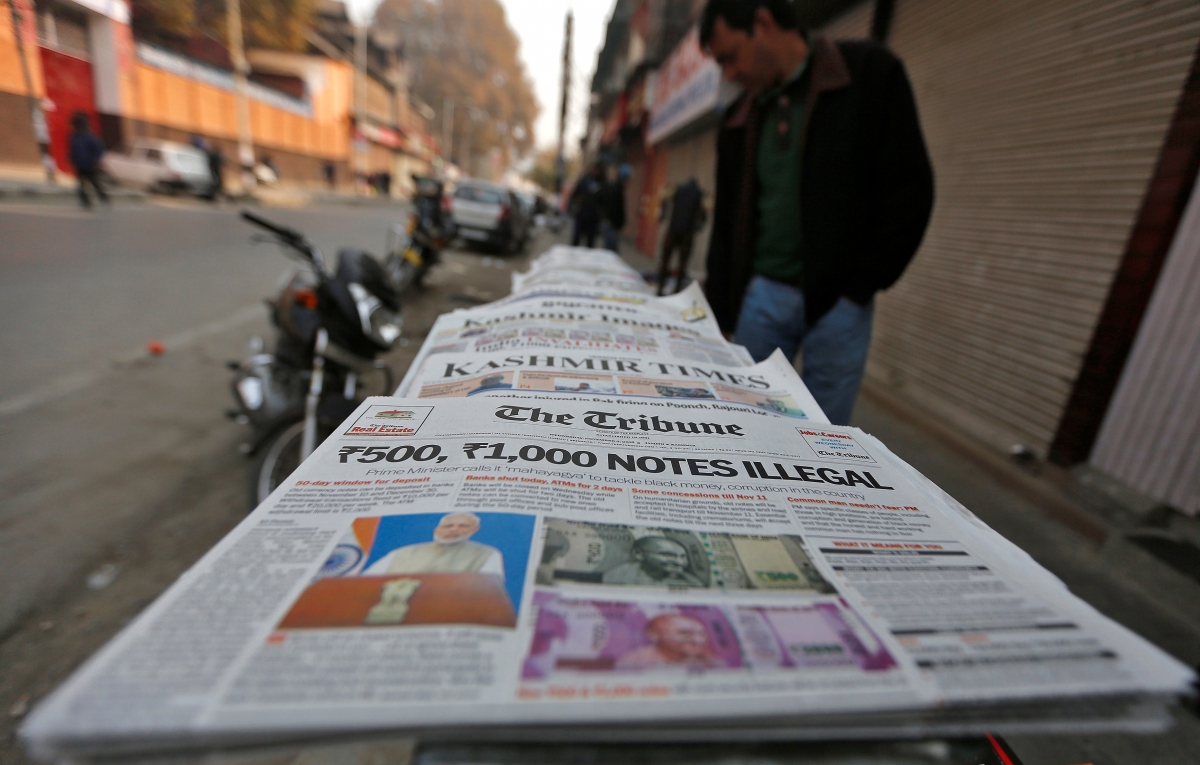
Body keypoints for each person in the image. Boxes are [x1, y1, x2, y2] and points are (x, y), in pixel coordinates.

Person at [700, 0, 934, 425]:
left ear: (764, 22)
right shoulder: (739, 118)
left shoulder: (868, 75)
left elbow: (910, 192)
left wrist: (859, 289)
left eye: (730, 57)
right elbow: (727, 224)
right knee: (743, 426)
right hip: (762, 299)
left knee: (823, 440)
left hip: (839, 303)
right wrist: (720, 312)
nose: (729, 75)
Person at [363, 512, 504, 578]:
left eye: (463, 526)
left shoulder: (486, 554)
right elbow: (365, 583)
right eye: (448, 526)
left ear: (474, 530)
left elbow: (488, 592)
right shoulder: (402, 553)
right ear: (437, 530)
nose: (454, 529)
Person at [656, 178, 707, 295]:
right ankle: (677, 290)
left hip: (673, 230)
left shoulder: (678, 189)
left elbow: (664, 200)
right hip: (688, 234)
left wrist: (662, 216)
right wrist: (699, 227)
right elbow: (703, 213)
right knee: (682, 264)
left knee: (665, 260)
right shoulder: (699, 194)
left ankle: (660, 287)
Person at [614, 614, 720, 670]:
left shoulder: (711, 661)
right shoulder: (635, 661)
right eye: (685, 634)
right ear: (654, 635)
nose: (698, 640)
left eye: (701, 634)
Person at [602, 536, 705, 587]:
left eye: (683, 557)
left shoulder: (692, 583)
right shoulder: (618, 575)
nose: (679, 562)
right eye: (667, 555)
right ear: (639, 554)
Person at [68, 112, 108, 208]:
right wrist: (72, 159)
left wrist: (95, 160)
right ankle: (86, 202)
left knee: (95, 184)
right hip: (80, 165)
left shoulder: (89, 137)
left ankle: (104, 198)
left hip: (90, 166)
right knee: (81, 185)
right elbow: (73, 150)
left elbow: (99, 149)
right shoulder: (74, 137)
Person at [568, 164, 605, 248]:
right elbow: (575, 195)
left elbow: (603, 201)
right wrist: (577, 201)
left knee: (590, 243)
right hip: (581, 214)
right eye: (593, 169)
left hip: (593, 218)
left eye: (596, 170)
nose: (594, 172)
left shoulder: (602, 183)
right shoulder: (584, 181)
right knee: (576, 240)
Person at [600, 165, 627, 252]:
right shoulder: (615, 190)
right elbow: (615, 208)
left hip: (610, 222)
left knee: (610, 248)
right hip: (610, 223)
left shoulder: (616, 189)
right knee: (609, 249)